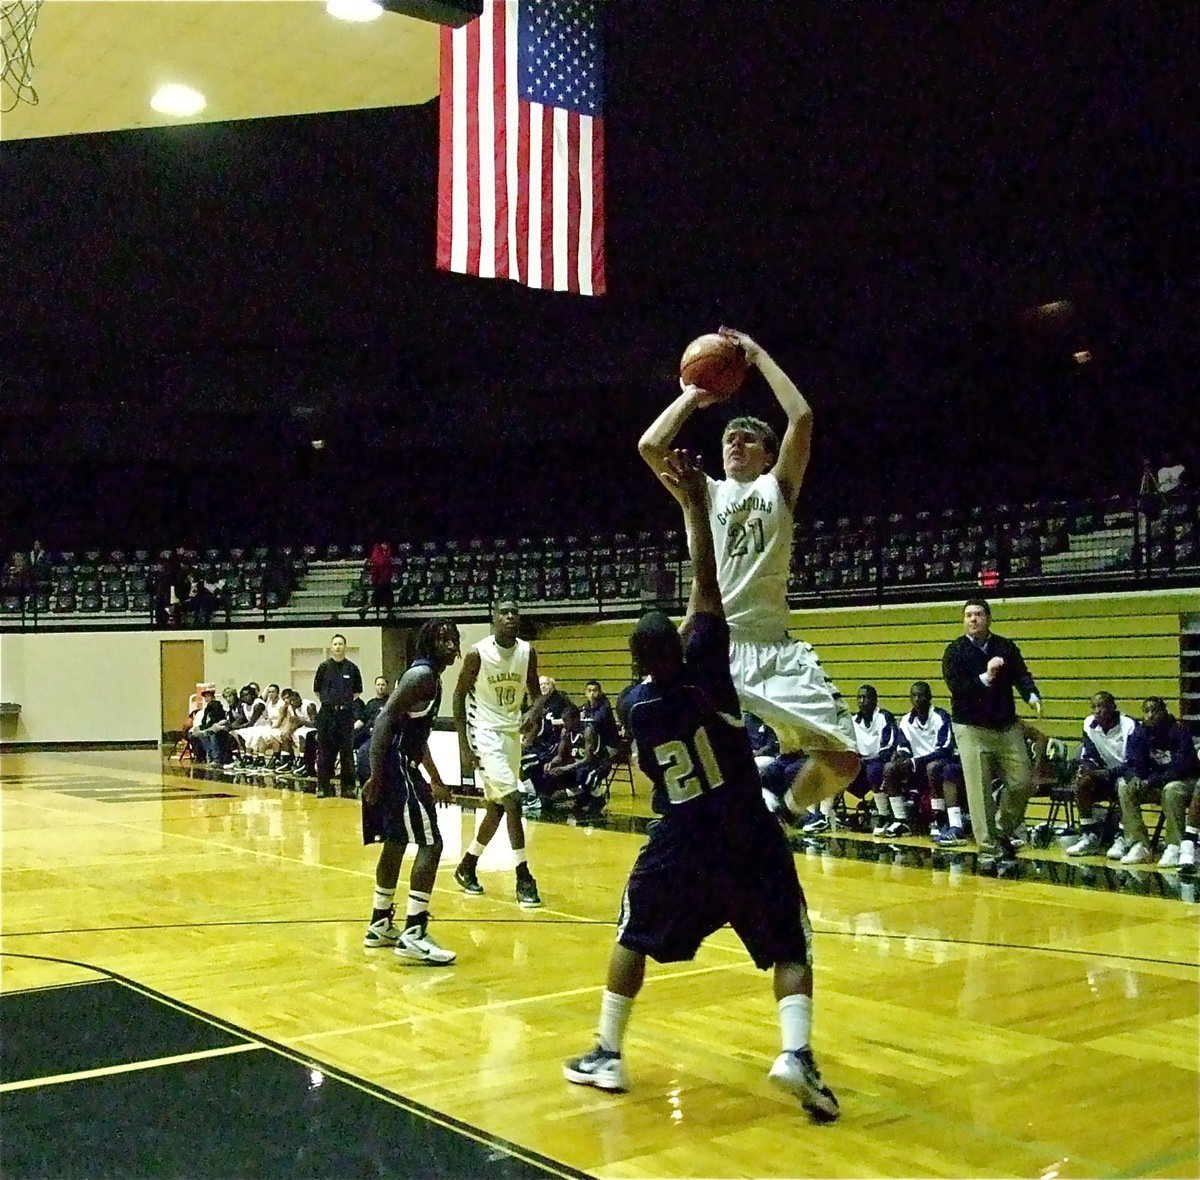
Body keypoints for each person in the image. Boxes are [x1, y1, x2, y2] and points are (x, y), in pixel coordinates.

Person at [563, 448, 839, 1122]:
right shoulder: (710, 670)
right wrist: (693, 507)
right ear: (683, 647)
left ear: (636, 663)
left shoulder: (635, 706)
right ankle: (794, 1054)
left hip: (682, 836)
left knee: (631, 937)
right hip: (746, 829)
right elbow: (706, 587)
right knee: (790, 946)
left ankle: (607, 1051)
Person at [637, 327, 859, 823]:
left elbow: (802, 416)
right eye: (729, 438)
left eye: (748, 439)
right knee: (678, 751)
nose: (736, 443)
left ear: (765, 453)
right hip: (714, 643)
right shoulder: (702, 494)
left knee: (844, 761)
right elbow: (651, 445)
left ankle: (787, 806)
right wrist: (693, 396)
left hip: (775, 648)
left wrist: (757, 356)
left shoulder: (777, 489)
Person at [362, 619, 462, 965]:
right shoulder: (421, 677)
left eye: (453, 639)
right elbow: (384, 720)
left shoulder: (428, 678)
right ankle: (414, 932)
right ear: (427, 644)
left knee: (396, 840)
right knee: (432, 843)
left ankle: (380, 923)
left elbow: (416, 739)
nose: (449, 645)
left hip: (396, 761)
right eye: (442, 639)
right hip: (391, 763)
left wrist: (436, 779)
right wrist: (376, 775)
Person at [453, 600, 546, 908]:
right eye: (503, 612)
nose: (509, 616)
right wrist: (464, 746)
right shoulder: (478, 654)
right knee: (514, 799)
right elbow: (457, 696)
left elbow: (535, 693)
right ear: (492, 618)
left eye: (514, 612)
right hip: (484, 733)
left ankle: (467, 866)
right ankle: (523, 876)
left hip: (510, 734)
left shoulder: (527, 652)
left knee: (497, 808)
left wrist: (534, 713)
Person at [941, 598, 1042, 857]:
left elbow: (1021, 673)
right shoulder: (954, 652)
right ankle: (988, 848)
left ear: (988, 619)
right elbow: (958, 687)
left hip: (1006, 725)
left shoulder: (1004, 646)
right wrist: (986, 677)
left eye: (978, 614)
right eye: (968, 615)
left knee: (1023, 782)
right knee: (979, 790)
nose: (973, 619)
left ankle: (1001, 829)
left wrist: (1031, 695)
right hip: (971, 728)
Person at [1112, 696, 1199, 867]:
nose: (1150, 715)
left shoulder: (1179, 731)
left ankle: (1174, 845)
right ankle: (1139, 844)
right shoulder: (1140, 732)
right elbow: (1131, 762)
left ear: (1165, 712)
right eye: (1146, 711)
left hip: (1185, 782)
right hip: (1153, 783)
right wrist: (1135, 777)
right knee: (1124, 785)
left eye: (1155, 711)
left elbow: (1180, 767)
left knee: (1172, 789)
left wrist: (1150, 781)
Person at [1064, 692, 1138, 857]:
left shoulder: (1130, 725)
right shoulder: (1088, 724)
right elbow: (1089, 755)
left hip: (1128, 774)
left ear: (1113, 707)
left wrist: (1107, 773)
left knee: (1122, 784)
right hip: (1104, 773)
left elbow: (1135, 763)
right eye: (1094, 707)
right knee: (1082, 782)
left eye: (1101, 706)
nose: (1097, 711)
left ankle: (1121, 836)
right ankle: (1089, 834)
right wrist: (1086, 768)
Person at [313, 633, 363, 798]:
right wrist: (330, 703)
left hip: (345, 716)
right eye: (335, 644)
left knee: (347, 753)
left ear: (345, 647)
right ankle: (322, 786)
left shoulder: (352, 668)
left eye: (341, 644)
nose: (338, 647)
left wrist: (343, 703)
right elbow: (317, 690)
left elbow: (357, 692)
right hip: (327, 715)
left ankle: (348, 787)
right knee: (325, 753)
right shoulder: (323, 667)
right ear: (331, 647)